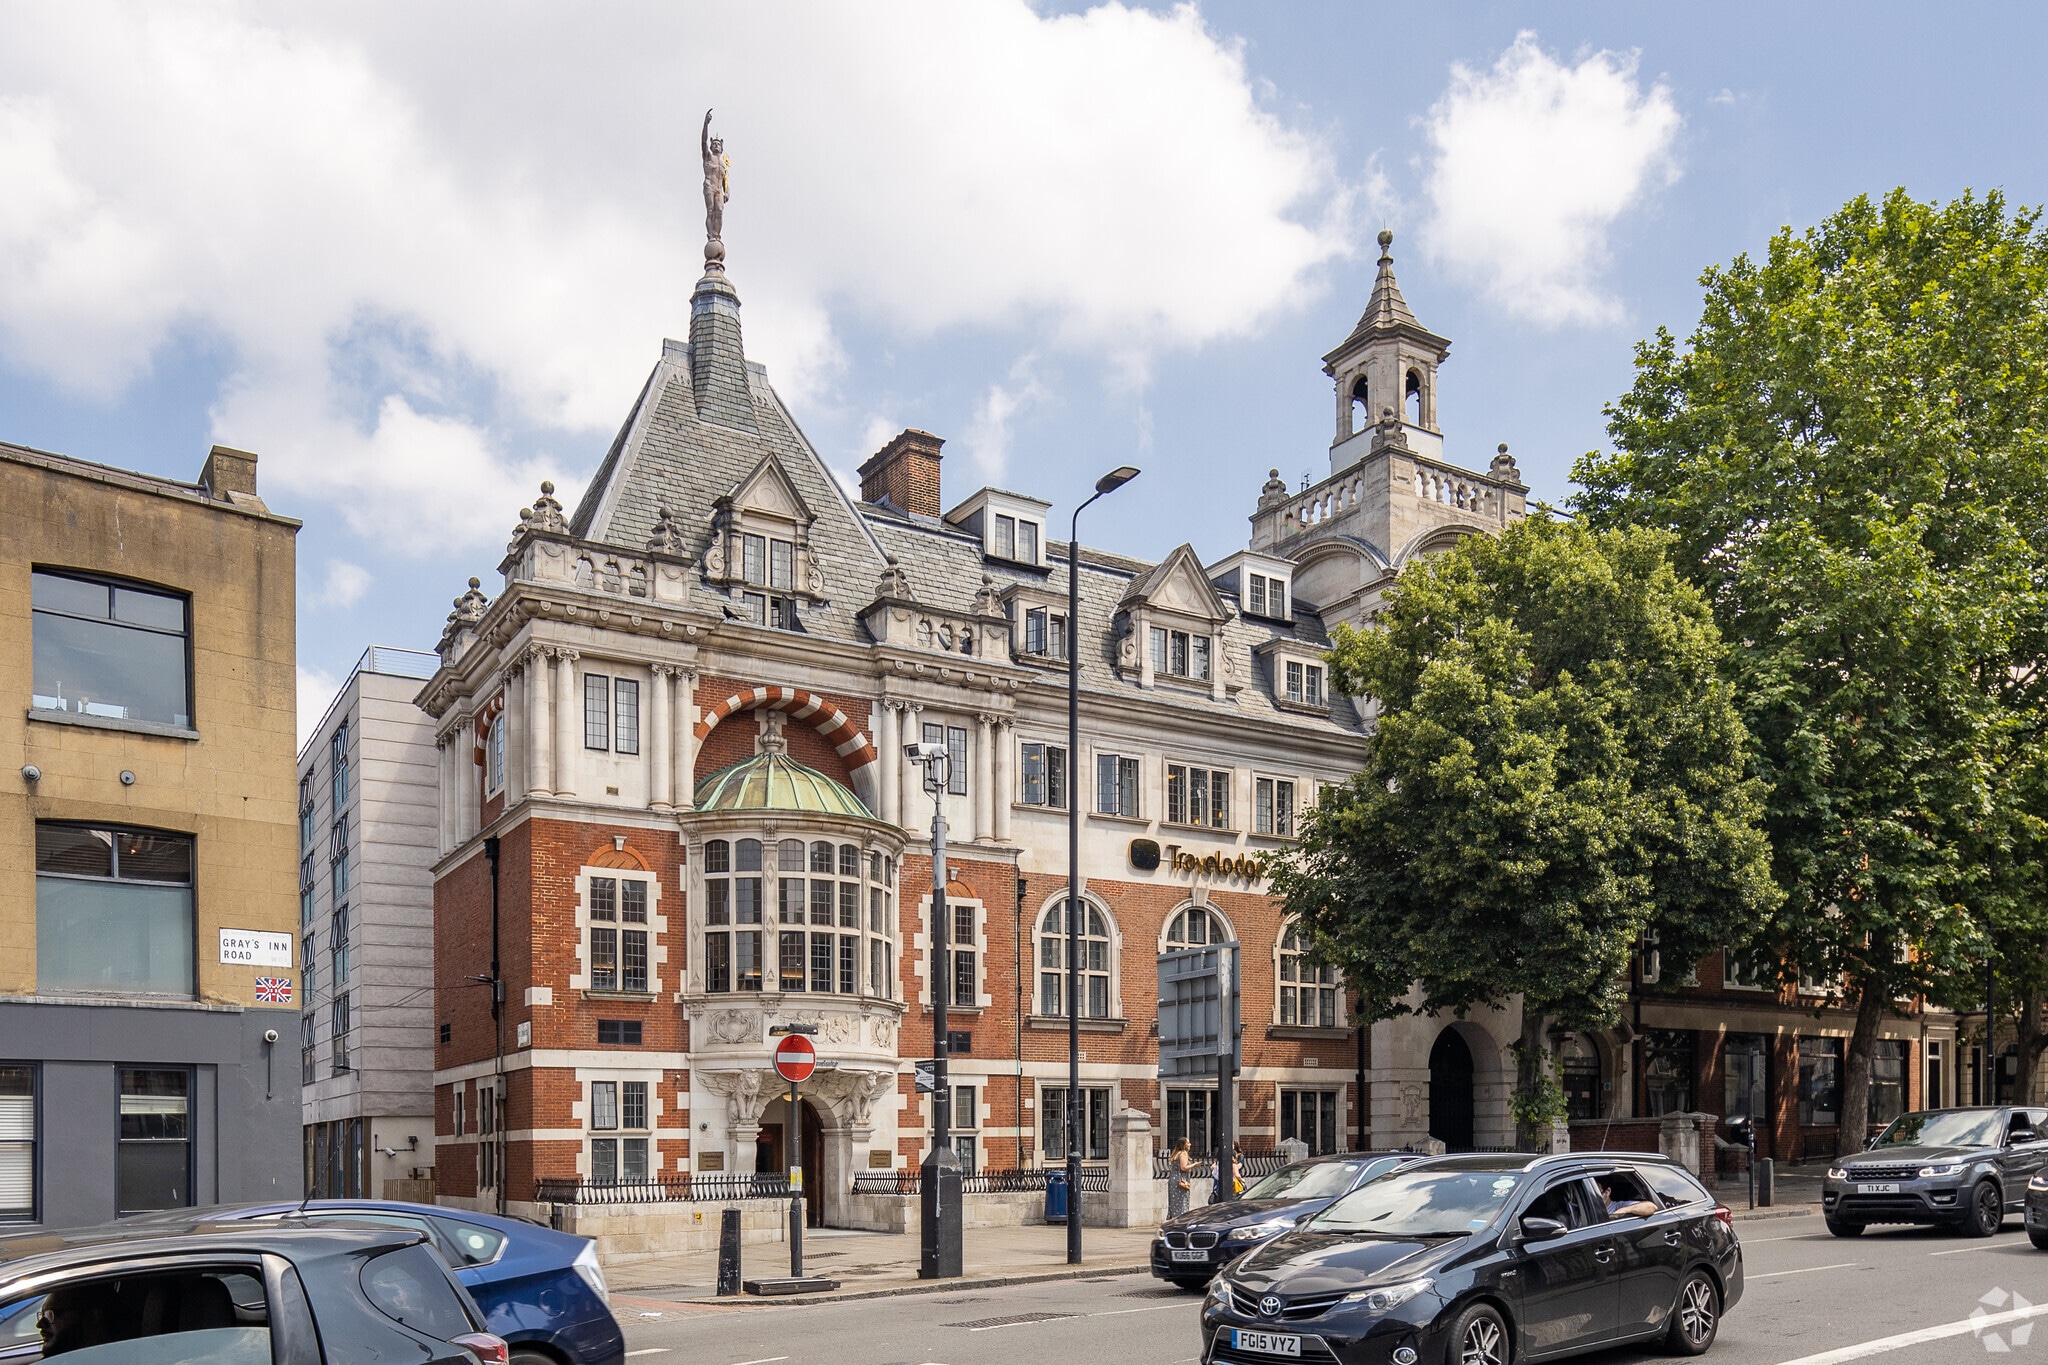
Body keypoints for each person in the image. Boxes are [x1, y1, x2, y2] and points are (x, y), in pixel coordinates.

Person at [1166, 1138, 1194, 1218]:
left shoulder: (1176, 1153)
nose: (1190, 1144)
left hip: (1173, 1178)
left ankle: (1174, 1217)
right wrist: (1194, 1165)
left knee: (1174, 1202)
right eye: (1188, 1143)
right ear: (1184, 1145)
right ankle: (1181, 1218)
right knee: (1182, 1201)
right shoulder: (1183, 1153)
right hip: (1181, 1179)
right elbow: (1183, 1167)